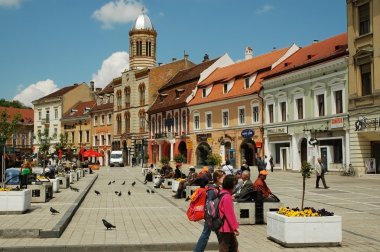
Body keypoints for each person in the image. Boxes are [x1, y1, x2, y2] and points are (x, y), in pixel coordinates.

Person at [194, 170, 225, 252]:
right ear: (218, 178)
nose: (225, 179)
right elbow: (209, 203)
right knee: (206, 234)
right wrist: (212, 216)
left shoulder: (216, 187)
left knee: (219, 234)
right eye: (223, 177)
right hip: (211, 216)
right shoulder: (212, 189)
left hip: (213, 216)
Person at [218, 174, 239, 252]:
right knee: (225, 247)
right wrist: (234, 227)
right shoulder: (227, 197)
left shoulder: (222, 193)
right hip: (226, 227)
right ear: (232, 185)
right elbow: (229, 214)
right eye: (235, 184)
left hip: (225, 226)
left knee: (233, 246)